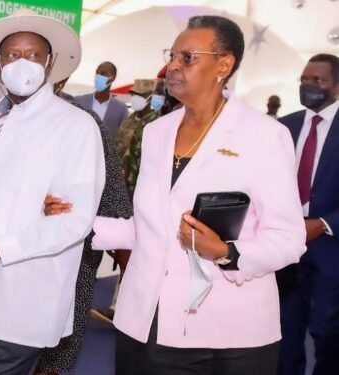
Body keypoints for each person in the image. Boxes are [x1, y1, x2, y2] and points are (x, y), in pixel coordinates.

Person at [49, 15, 306, 374]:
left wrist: (226, 252)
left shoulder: (265, 135)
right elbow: (151, 224)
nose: (172, 66)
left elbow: (289, 239)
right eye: (172, 55)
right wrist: (76, 218)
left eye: (187, 57)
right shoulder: (156, 132)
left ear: (224, 64)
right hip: (145, 320)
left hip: (224, 332)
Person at [0, 9, 105, 375]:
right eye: (12, 55)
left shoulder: (75, 126)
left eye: (33, 54)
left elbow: (75, 220)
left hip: (25, 295)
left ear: (50, 62)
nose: (22, 63)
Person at [33, 79, 133, 375]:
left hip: (73, 250)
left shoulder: (84, 121)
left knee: (57, 349)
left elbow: (112, 186)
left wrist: (122, 243)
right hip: (10, 250)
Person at [277, 53, 339, 375]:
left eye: (318, 81)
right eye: (304, 80)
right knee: (285, 331)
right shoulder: (283, 127)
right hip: (286, 245)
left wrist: (325, 223)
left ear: (337, 86)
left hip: (331, 246)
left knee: (327, 331)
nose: (309, 86)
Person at [89, 78, 164, 326]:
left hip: (141, 194)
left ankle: (128, 308)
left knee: (134, 255)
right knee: (122, 252)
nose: (135, 97)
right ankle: (117, 305)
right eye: (133, 93)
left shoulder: (158, 123)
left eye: (139, 94)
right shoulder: (131, 120)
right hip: (121, 192)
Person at [75, 61, 129, 139]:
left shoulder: (121, 109)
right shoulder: (79, 101)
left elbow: (122, 138)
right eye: (97, 73)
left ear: (113, 77)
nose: (98, 76)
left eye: (103, 74)